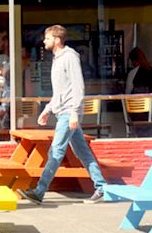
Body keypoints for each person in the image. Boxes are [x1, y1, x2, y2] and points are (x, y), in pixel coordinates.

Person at [18, 25, 107, 204]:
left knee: (56, 150)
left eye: (47, 38)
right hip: (63, 111)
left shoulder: (69, 57)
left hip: (68, 112)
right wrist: (47, 110)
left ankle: (39, 191)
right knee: (82, 151)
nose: (44, 41)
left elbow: (78, 86)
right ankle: (102, 187)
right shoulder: (58, 59)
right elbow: (60, 91)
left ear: (57, 40)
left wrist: (74, 113)